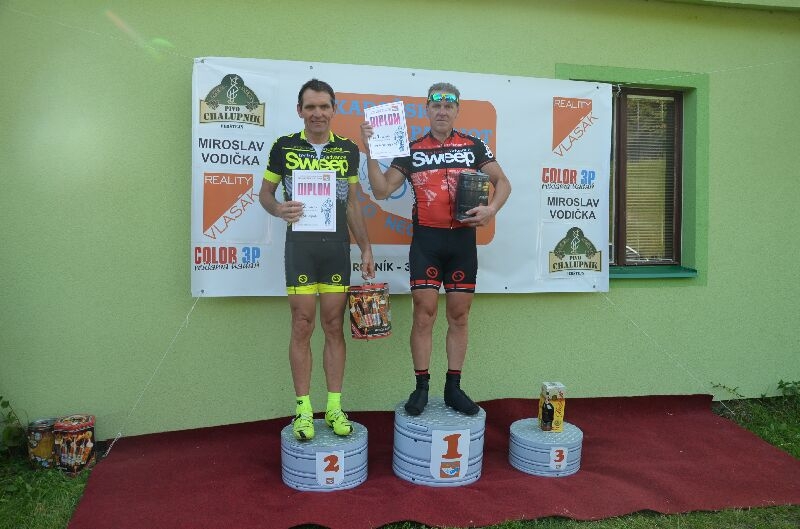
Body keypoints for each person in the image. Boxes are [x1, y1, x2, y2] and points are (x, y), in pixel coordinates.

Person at [360, 82, 511, 416]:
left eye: (448, 106)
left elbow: (503, 183)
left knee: (459, 315)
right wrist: (370, 153)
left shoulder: (474, 146)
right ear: (427, 109)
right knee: (423, 314)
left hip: (462, 243)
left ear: (456, 110)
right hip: (426, 243)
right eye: (436, 106)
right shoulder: (412, 150)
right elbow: (382, 191)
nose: (442, 111)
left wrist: (491, 209)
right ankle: (421, 387)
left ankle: (453, 387)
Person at [260, 79, 375, 441]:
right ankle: (303, 410)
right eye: (310, 107)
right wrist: (278, 209)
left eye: (324, 106)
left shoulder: (348, 150)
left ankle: (335, 407)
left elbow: (353, 203)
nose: (317, 113)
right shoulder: (284, 146)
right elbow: (265, 194)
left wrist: (366, 247)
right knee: (302, 324)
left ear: (333, 110)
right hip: (301, 249)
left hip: (336, 249)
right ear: (300, 111)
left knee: (333, 325)